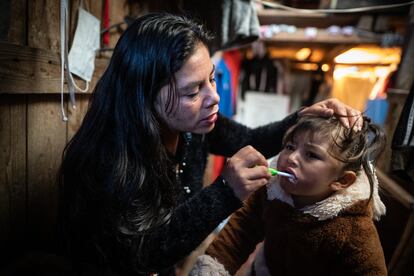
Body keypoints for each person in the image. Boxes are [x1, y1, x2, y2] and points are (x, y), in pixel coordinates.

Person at [58, 13, 362, 275]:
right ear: (143, 97)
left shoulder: (194, 127)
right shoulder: (107, 160)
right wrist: (225, 192)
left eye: (212, 79)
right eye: (193, 92)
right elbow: (143, 254)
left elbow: (249, 139)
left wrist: (300, 118)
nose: (214, 97)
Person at [191, 115, 387, 276]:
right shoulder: (270, 192)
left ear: (342, 181)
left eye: (311, 155)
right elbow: (240, 232)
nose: (291, 158)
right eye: (290, 147)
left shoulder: (355, 230)